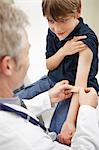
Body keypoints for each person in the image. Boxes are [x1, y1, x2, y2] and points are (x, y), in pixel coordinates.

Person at [0, 1, 99, 150]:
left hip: (75, 89)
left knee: (60, 132)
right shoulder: (53, 31)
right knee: (16, 97)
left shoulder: (85, 40)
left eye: (63, 20)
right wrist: (64, 50)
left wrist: (70, 121)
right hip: (53, 79)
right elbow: (49, 64)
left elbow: (80, 85)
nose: (57, 28)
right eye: (51, 21)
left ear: (78, 12)